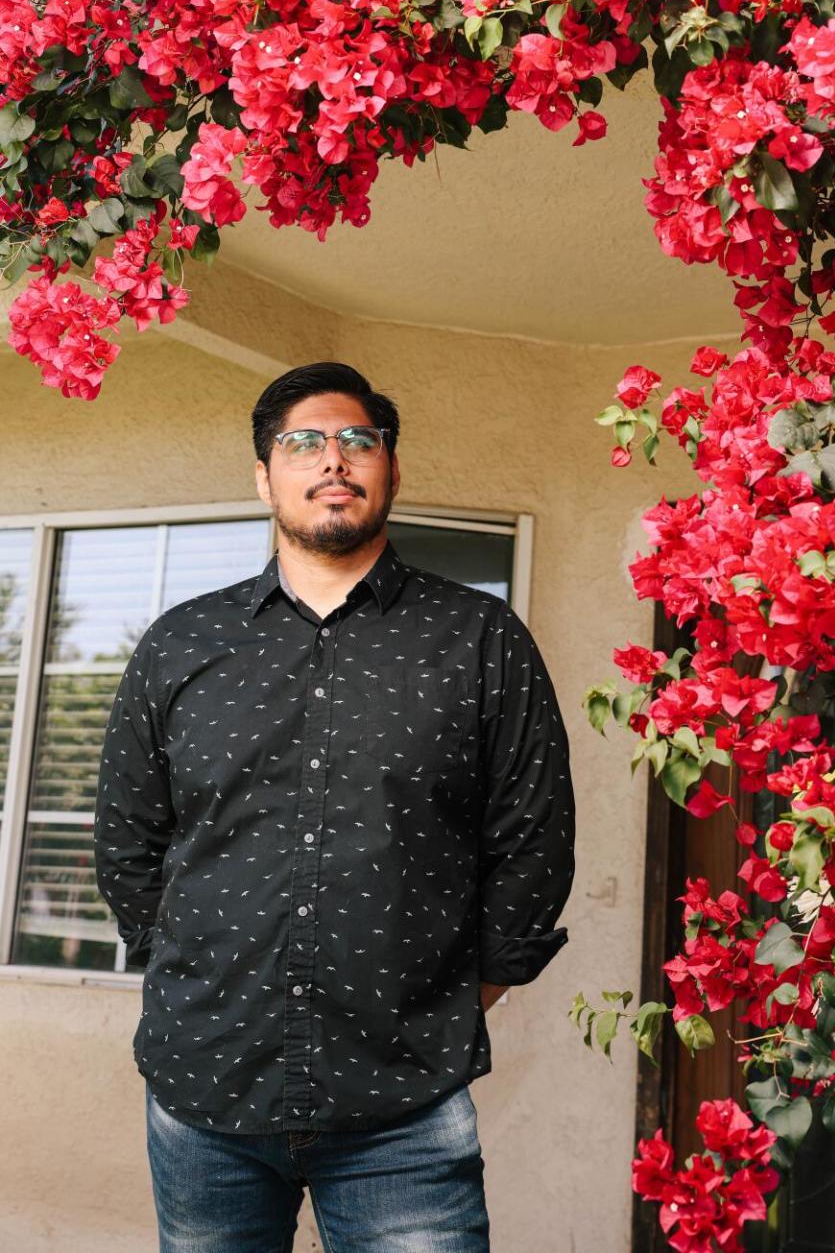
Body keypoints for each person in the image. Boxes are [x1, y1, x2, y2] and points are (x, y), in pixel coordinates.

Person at [94, 360, 577, 1253]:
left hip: (405, 1102)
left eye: (360, 440)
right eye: (303, 441)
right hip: (206, 1089)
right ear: (263, 476)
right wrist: (194, 972)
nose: (334, 459)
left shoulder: (477, 638)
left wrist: (465, 991)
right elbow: (129, 841)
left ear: (391, 470)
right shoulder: (181, 643)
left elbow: (533, 836)